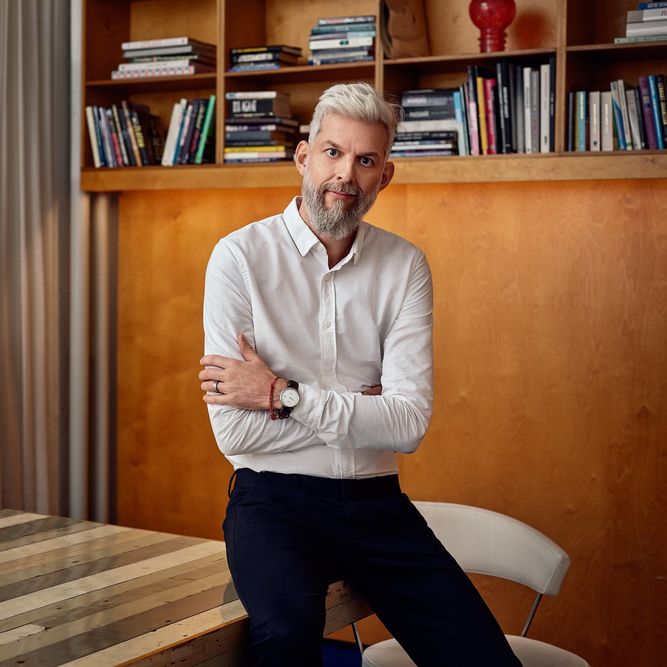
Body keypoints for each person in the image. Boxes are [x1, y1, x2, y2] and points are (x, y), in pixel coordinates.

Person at [199, 82, 520, 667]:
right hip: (274, 504)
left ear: (384, 176)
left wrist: (279, 395)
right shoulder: (238, 258)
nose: (345, 174)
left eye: (365, 160)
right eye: (332, 152)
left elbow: (407, 425)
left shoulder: (404, 265)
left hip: (377, 505)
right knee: (285, 639)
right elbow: (236, 435)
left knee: (483, 659)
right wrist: (359, 408)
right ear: (303, 156)